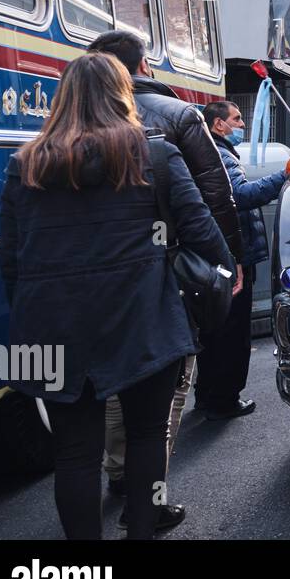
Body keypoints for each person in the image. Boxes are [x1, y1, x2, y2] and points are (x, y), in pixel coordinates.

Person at [0, 53, 232, 539]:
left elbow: (13, 261)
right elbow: (202, 232)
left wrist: (33, 318)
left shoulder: (26, 164)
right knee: (147, 436)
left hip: (53, 324)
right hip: (142, 316)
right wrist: (223, 272)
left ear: (62, 101)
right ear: (123, 94)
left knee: (74, 453)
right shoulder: (154, 154)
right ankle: (143, 531)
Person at [88, 30, 243, 528]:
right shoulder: (178, 116)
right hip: (167, 269)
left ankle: (117, 471)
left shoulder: (76, 120)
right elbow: (215, 196)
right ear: (143, 67)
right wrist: (229, 259)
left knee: (115, 382)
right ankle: (146, 493)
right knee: (171, 381)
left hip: (101, 274)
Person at [199, 101, 288, 419]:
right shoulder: (221, 156)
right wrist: (283, 176)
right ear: (218, 125)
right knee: (233, 333)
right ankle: (224, 398)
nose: (242, 126)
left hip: (220, 255)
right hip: (235, 256)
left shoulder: (214, 153)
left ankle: (207, 394)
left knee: (214, 332)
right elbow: (243, 196)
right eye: (236, 120)